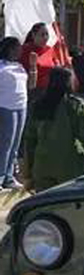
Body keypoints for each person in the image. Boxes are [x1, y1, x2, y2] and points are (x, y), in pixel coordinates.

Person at [22, 67, 84, 192]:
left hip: (42, 165)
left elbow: (30, 141)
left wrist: (28, 173)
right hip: (70, 165)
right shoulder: (75, 105)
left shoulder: (39, 105)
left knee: (45, 206)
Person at [0, 37, 33, 190]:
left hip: (21, 106)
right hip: (6, 106)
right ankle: (0, 176)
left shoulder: (19, 66)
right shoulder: (1, 66)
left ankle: (8, 176)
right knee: (5, 143)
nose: (20, 50)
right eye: (16, 47)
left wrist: (33, 66)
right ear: (9, 49)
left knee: (15, 144)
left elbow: (30, 84)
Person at [19, 22, 57, 101]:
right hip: (31, 91)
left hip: (49, 91)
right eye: (42, 35)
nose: (45, 37)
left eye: (47, 34)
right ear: (33, 35)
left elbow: (55, 66)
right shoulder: (24, 50)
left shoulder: (50, 50)